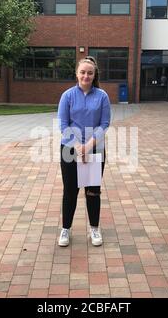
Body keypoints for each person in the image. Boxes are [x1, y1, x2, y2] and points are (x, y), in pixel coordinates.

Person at [57, 56, 111, 247]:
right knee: (70, 191)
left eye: (90, 72)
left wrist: (88, 146)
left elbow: (104, 124)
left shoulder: (102, 96)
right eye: (82, 72)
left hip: (95, 149)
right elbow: (63, 125)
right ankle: (66, 229)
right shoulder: (67, 96)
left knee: (93, 191)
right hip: (70, 150)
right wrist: (77, 146)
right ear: (76, 73)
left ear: (94, 74)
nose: (86, 76)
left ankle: (94, 229)